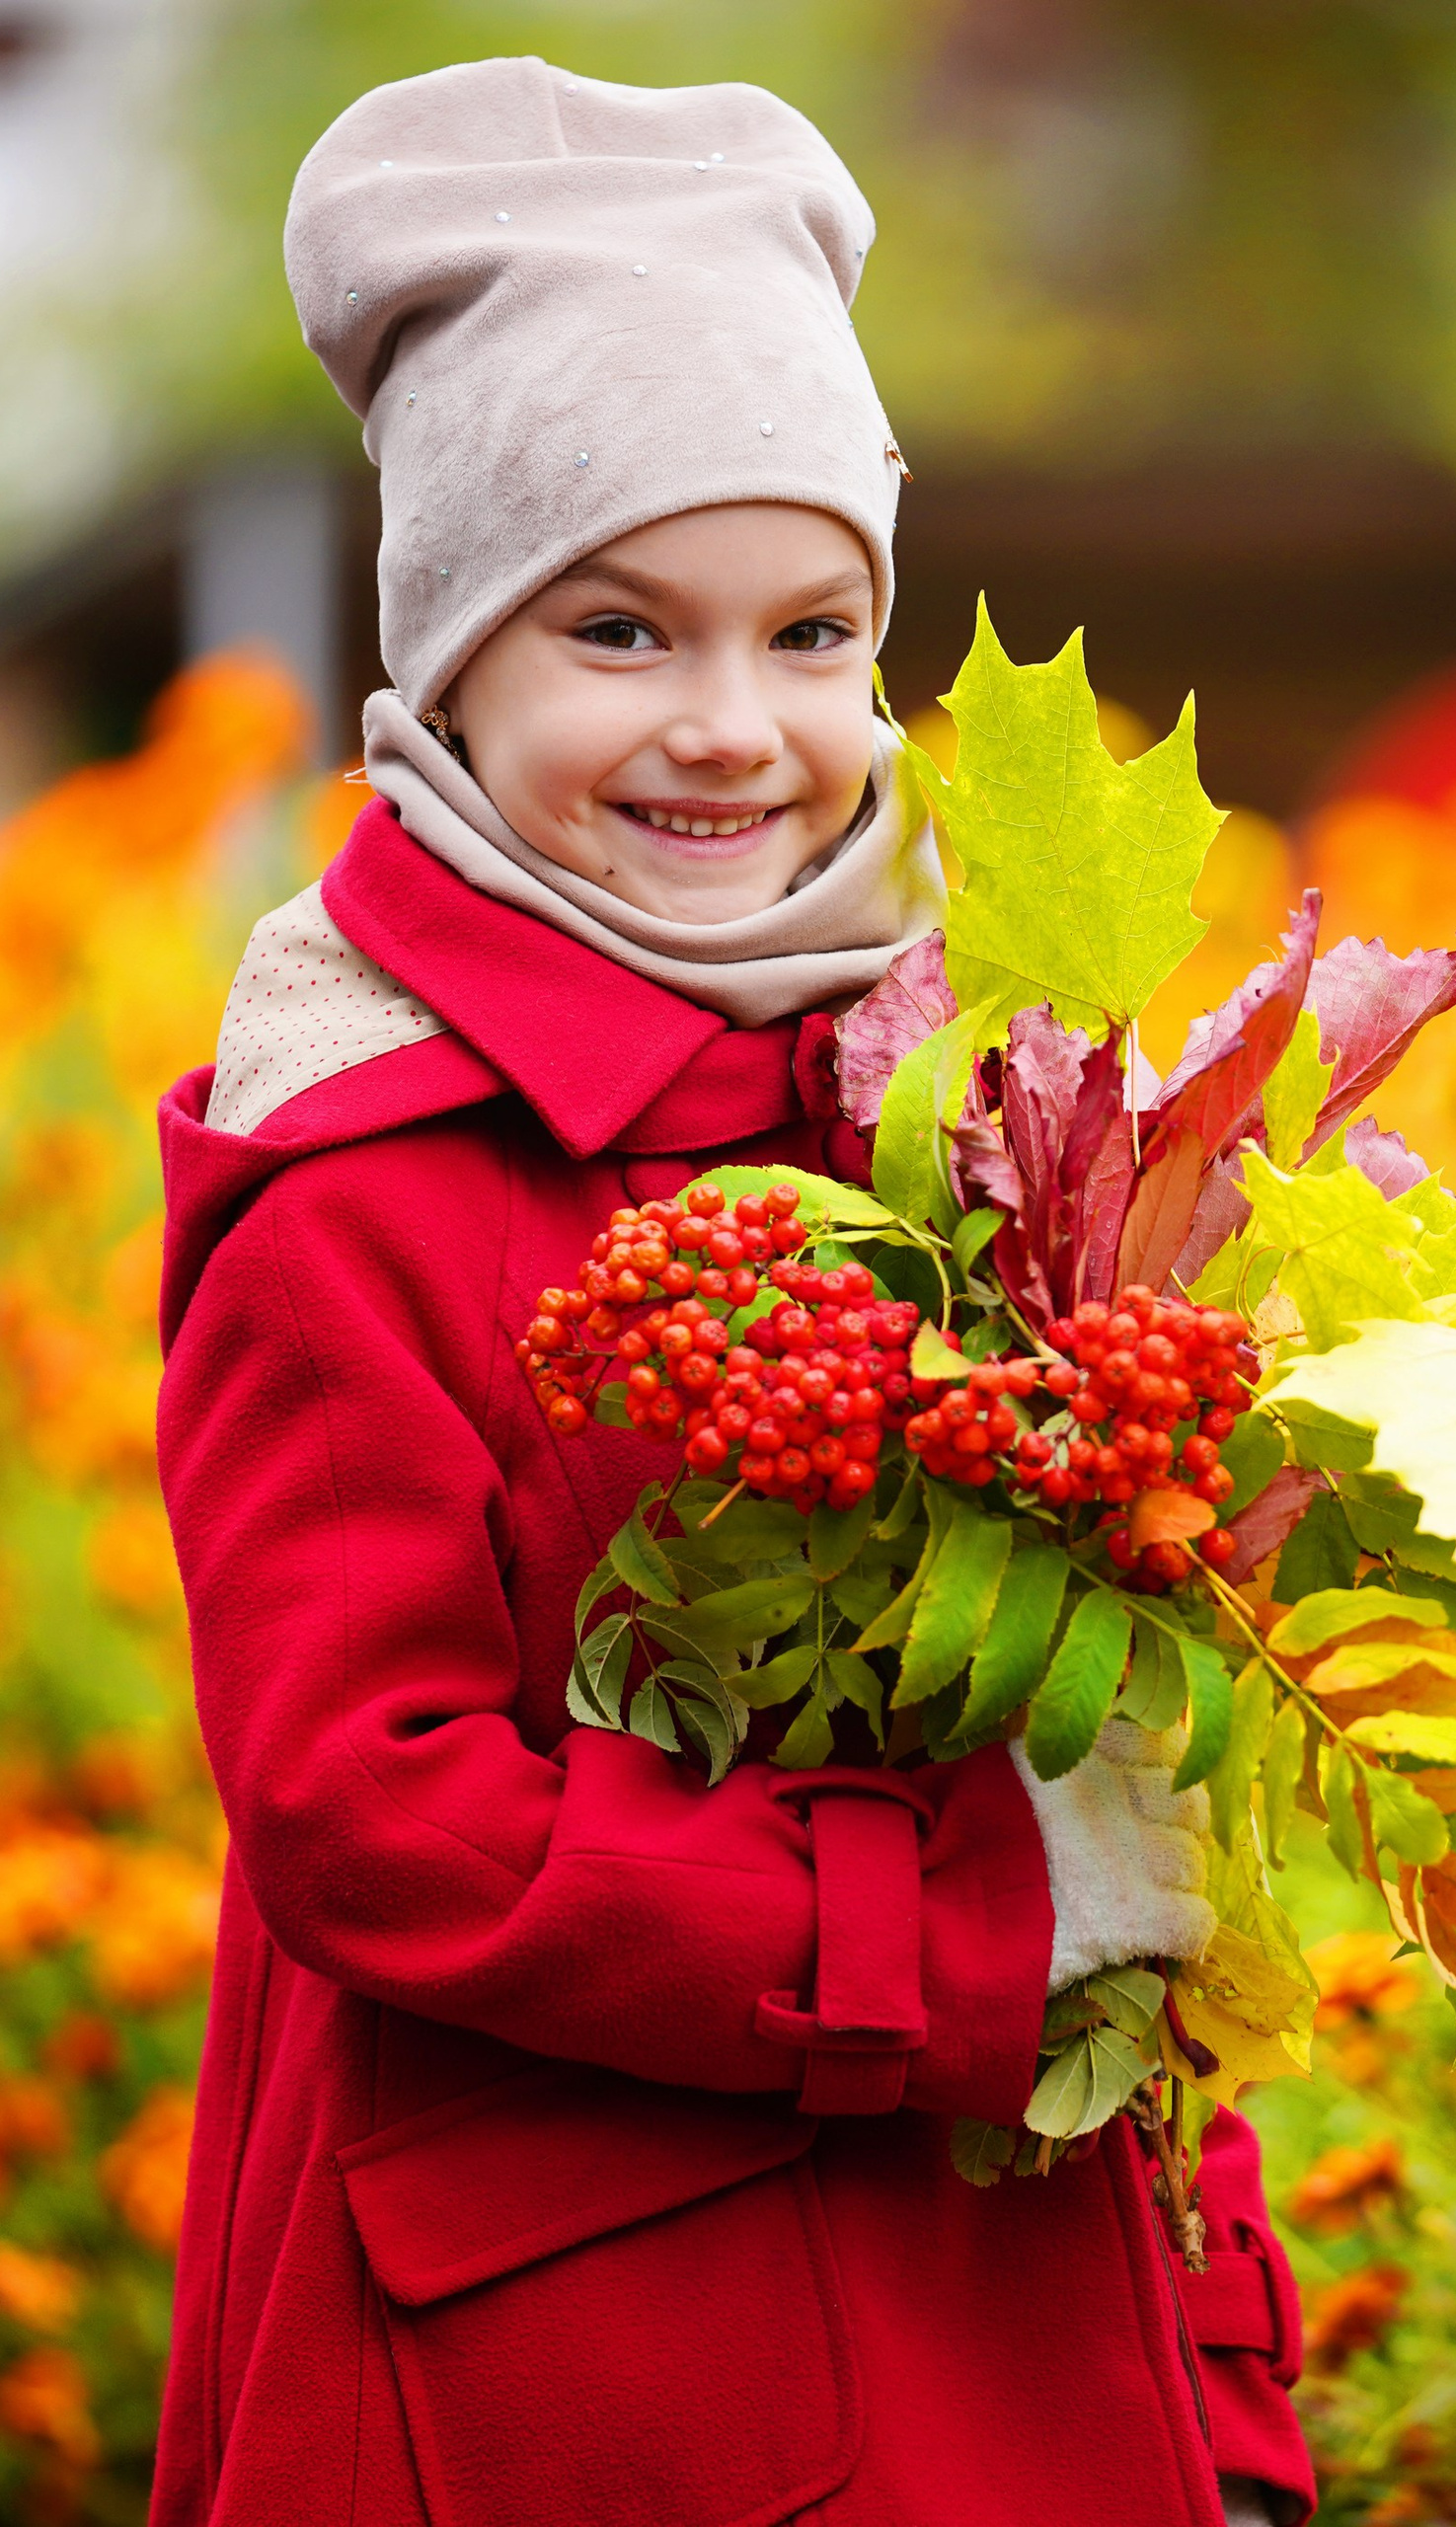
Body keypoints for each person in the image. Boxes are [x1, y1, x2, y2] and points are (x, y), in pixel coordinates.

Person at [151, 58, 1314, 2527]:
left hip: (1015, 2320)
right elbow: (376, 1811)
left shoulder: (966, 1111)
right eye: (613, 626)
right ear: (447, 660)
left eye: (811, 630)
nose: (729, 726)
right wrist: (970, 1918)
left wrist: (1216, 2379)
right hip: (592, 2387)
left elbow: (1119, 1811)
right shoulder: (359, 1178)